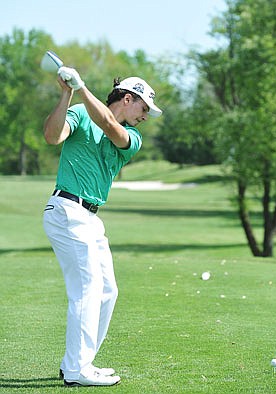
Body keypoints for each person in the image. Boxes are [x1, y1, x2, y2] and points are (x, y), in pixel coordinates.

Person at [43, 65, 162, 387]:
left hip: (91, 219)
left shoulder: (132, 138)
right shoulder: (80, 113)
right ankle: (76, 369)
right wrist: (67, 92)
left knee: (108, 291)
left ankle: (80, 362)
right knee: (87, 290)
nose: (146, 116)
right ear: (128, 98)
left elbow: (109, 124)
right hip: (67, 209)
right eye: (144, 108)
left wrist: (80, 86)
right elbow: (52, 137)